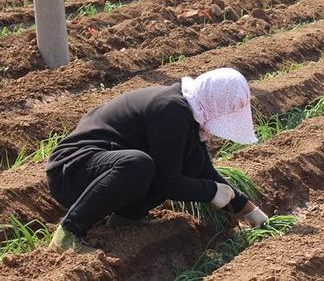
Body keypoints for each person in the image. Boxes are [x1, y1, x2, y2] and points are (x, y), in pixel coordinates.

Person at [46, 68, 269, 254]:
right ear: (214, 102)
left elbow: (200, 169)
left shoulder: (189, 114)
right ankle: (68, 232)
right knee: (139, 164)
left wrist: (247, 208)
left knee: (160, 164)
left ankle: (127, 218)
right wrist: (211, 191)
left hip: (100, 173)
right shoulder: (171, 110)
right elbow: (167, 182)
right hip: (72, 172)